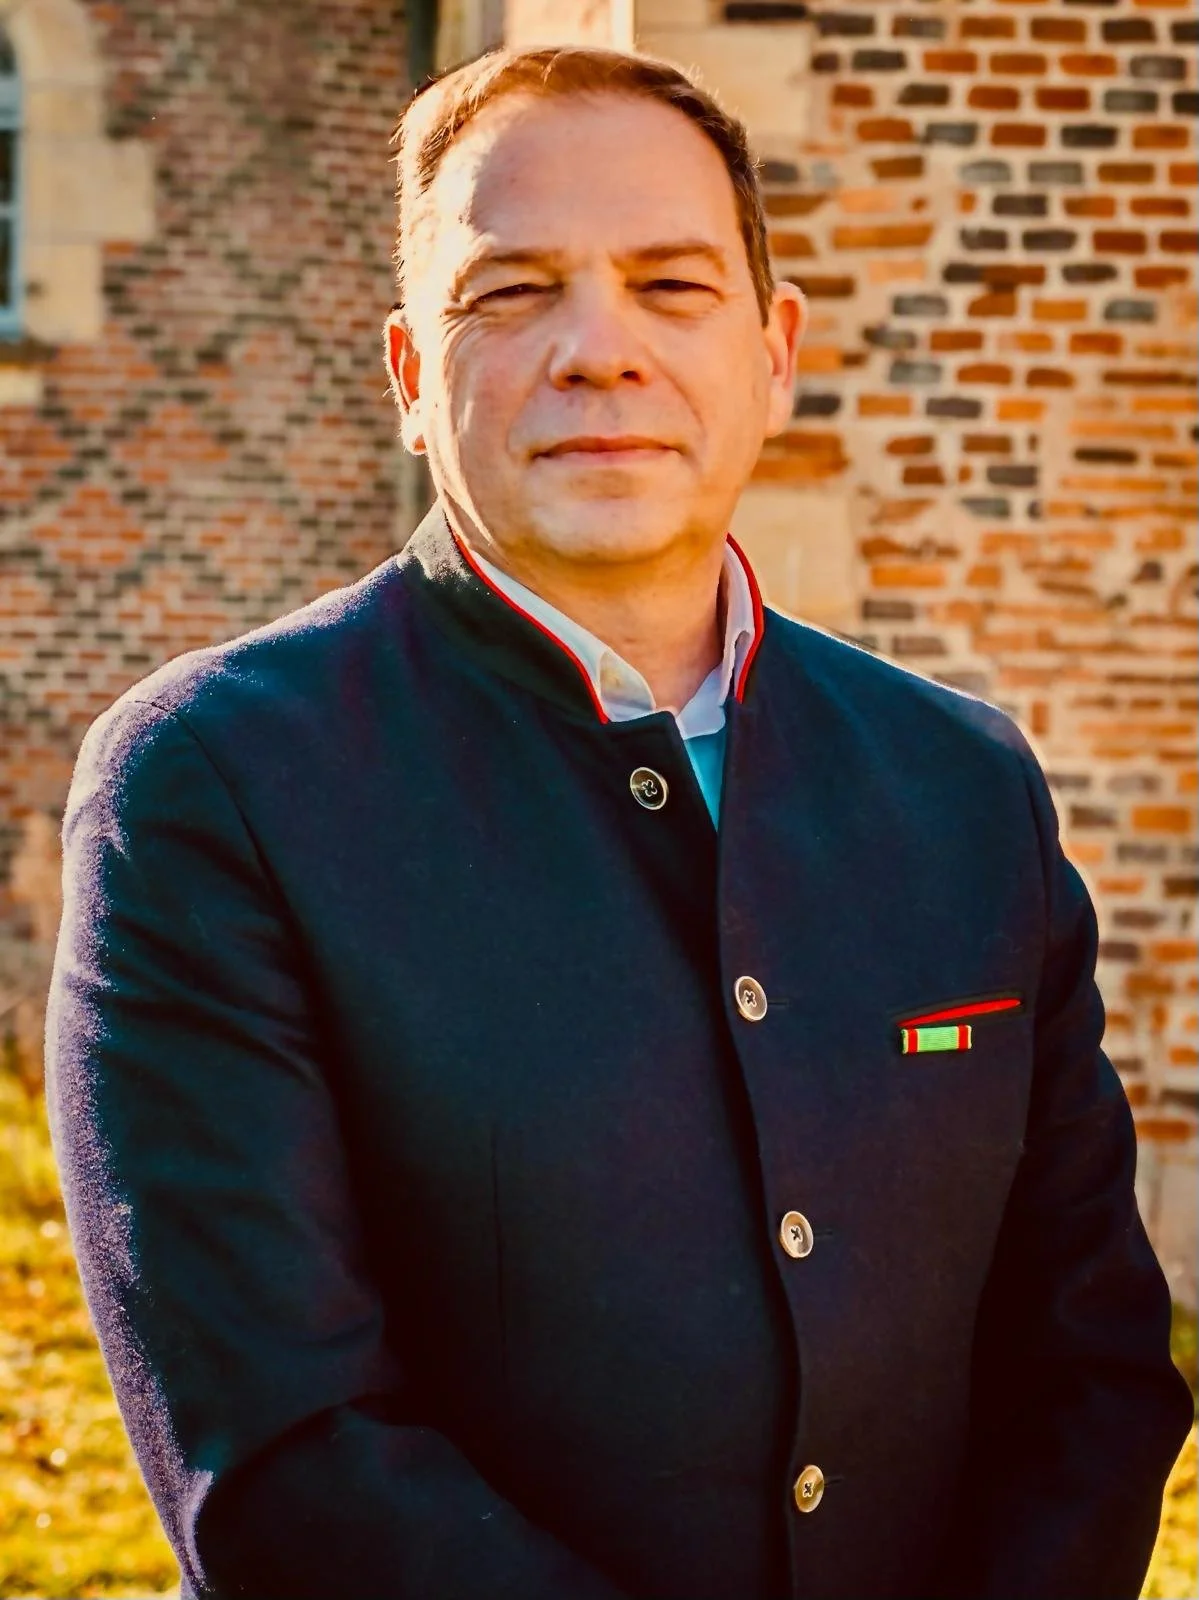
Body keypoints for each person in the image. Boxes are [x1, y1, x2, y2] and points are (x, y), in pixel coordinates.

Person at [45, 42, 1192, 1600]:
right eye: (510, 291)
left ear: (773, 352)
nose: (599, 348)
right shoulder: (212, 787)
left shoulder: (960, 786)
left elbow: (1092, 1366)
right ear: (403, 374)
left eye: (671, 284)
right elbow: (283, 1455)